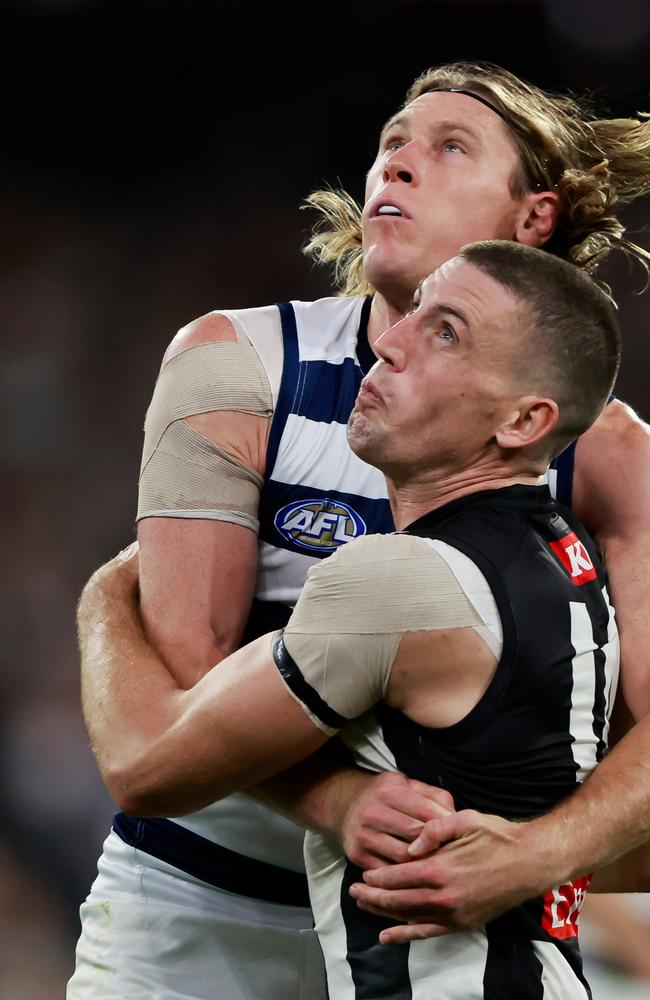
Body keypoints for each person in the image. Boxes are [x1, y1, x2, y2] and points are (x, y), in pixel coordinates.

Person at [69, 60, 650, 998]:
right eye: (391, 144)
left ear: (533, 218)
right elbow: (183, 687)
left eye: (448, 148)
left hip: (437, 927)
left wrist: (541, 853)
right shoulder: (238, 365)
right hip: (204, 907)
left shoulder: (606, 447)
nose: (397, 166)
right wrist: (337, 800)